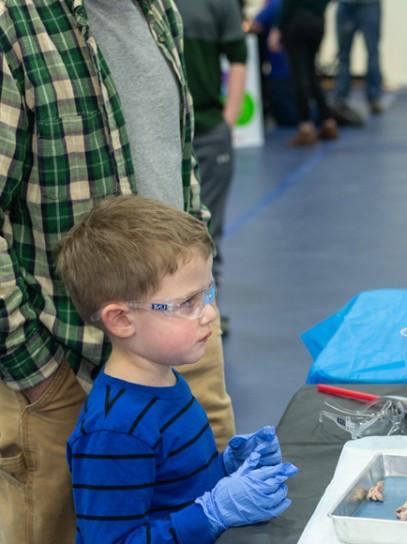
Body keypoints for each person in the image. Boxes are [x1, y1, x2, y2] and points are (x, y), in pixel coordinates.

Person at [0, 1, 235, 542]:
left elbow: (178, 159)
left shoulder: (160, 11)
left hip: (180, 339)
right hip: (62, 360)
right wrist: (34, 371)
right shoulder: (16, 21)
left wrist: (197, 301)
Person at [57, 195, 298, 543]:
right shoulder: (115, 431)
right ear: (122, 320)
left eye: (207, 294)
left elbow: (173, 491)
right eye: (187, 303)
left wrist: (226, 469)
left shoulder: (164, 379)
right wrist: (213, 512)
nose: (210, 313)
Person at [176, 0, 249, 336]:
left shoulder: (221, 4)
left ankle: (207, 307)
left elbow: (238, 58)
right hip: (164, 135)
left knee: (208, 230)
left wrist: (228, 120)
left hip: (208, 132)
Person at [270, 0, 339, 145]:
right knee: (311, 73)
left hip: (296, 23)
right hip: (317, 23)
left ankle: (306, 127)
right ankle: (328, 121)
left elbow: (287, 4)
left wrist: (276, 28)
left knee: (299, 76)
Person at [333, 0, 384, 115]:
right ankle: (340, 97)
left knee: (372, 53)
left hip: (369, 4)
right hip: (347, 4)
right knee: (344, 55)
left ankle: (374, 97)